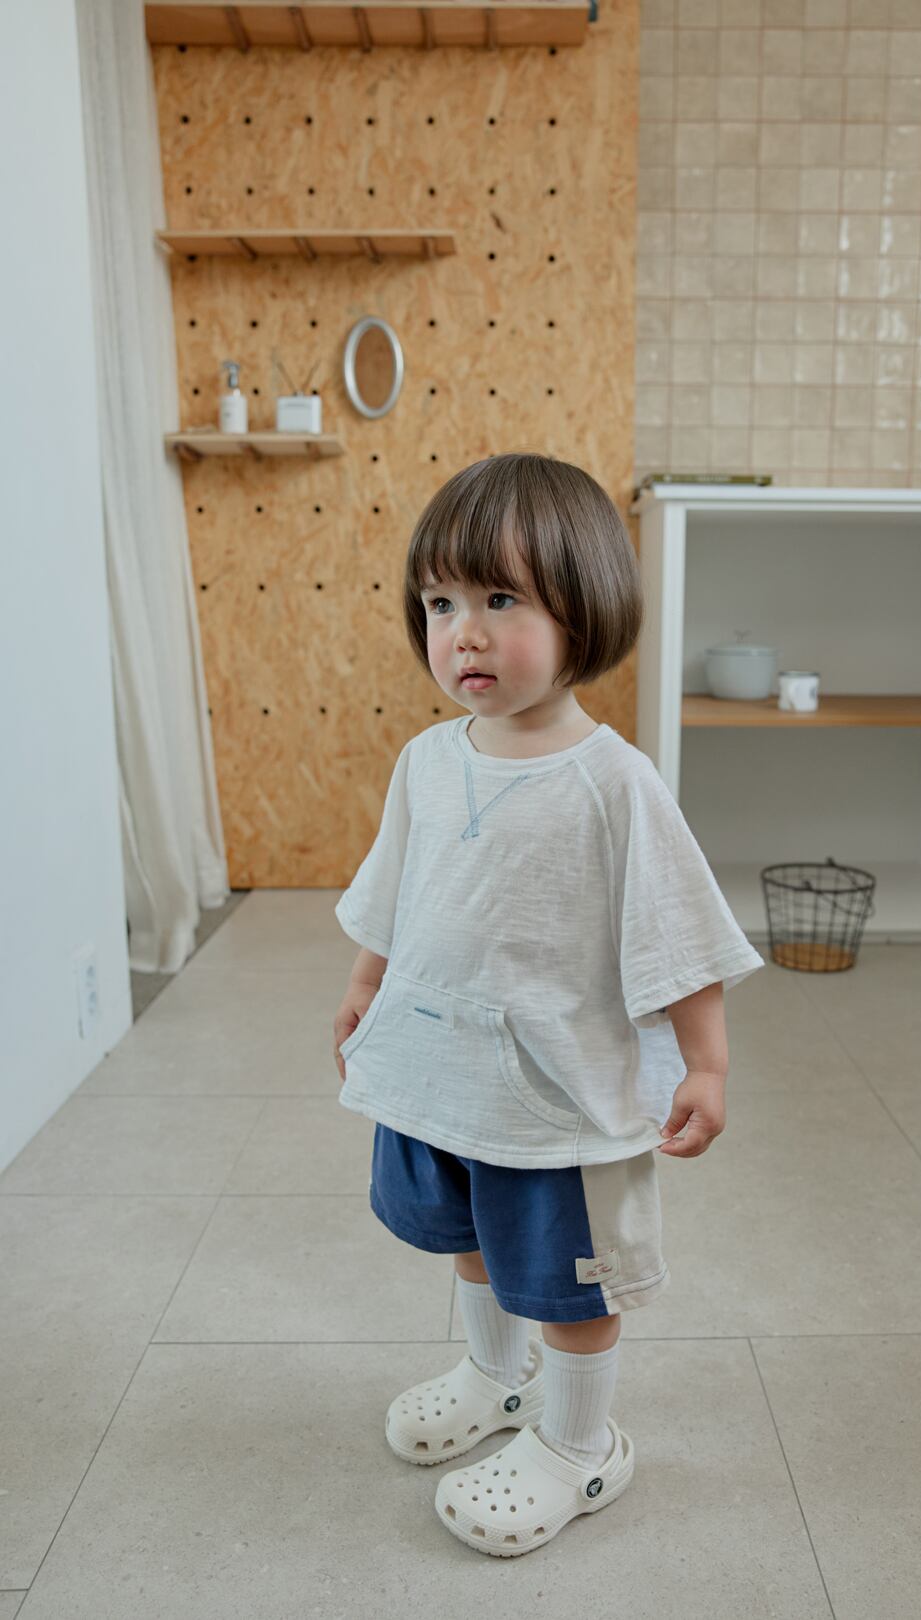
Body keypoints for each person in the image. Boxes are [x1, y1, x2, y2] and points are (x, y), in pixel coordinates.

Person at [331, 451, 765, 1557]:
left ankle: (580, 1445)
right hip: (439, 1075)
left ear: (583, 611)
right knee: (467, 1237)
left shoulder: (613, 783)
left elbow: (679, 935)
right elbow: (394, 894)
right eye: (441, 604)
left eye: (500, 600)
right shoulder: (428, 761)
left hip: (557, 1097)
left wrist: (707, 1065)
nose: (464, 635)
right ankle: (496, 1375)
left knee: (570, 1283)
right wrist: (366, 988)